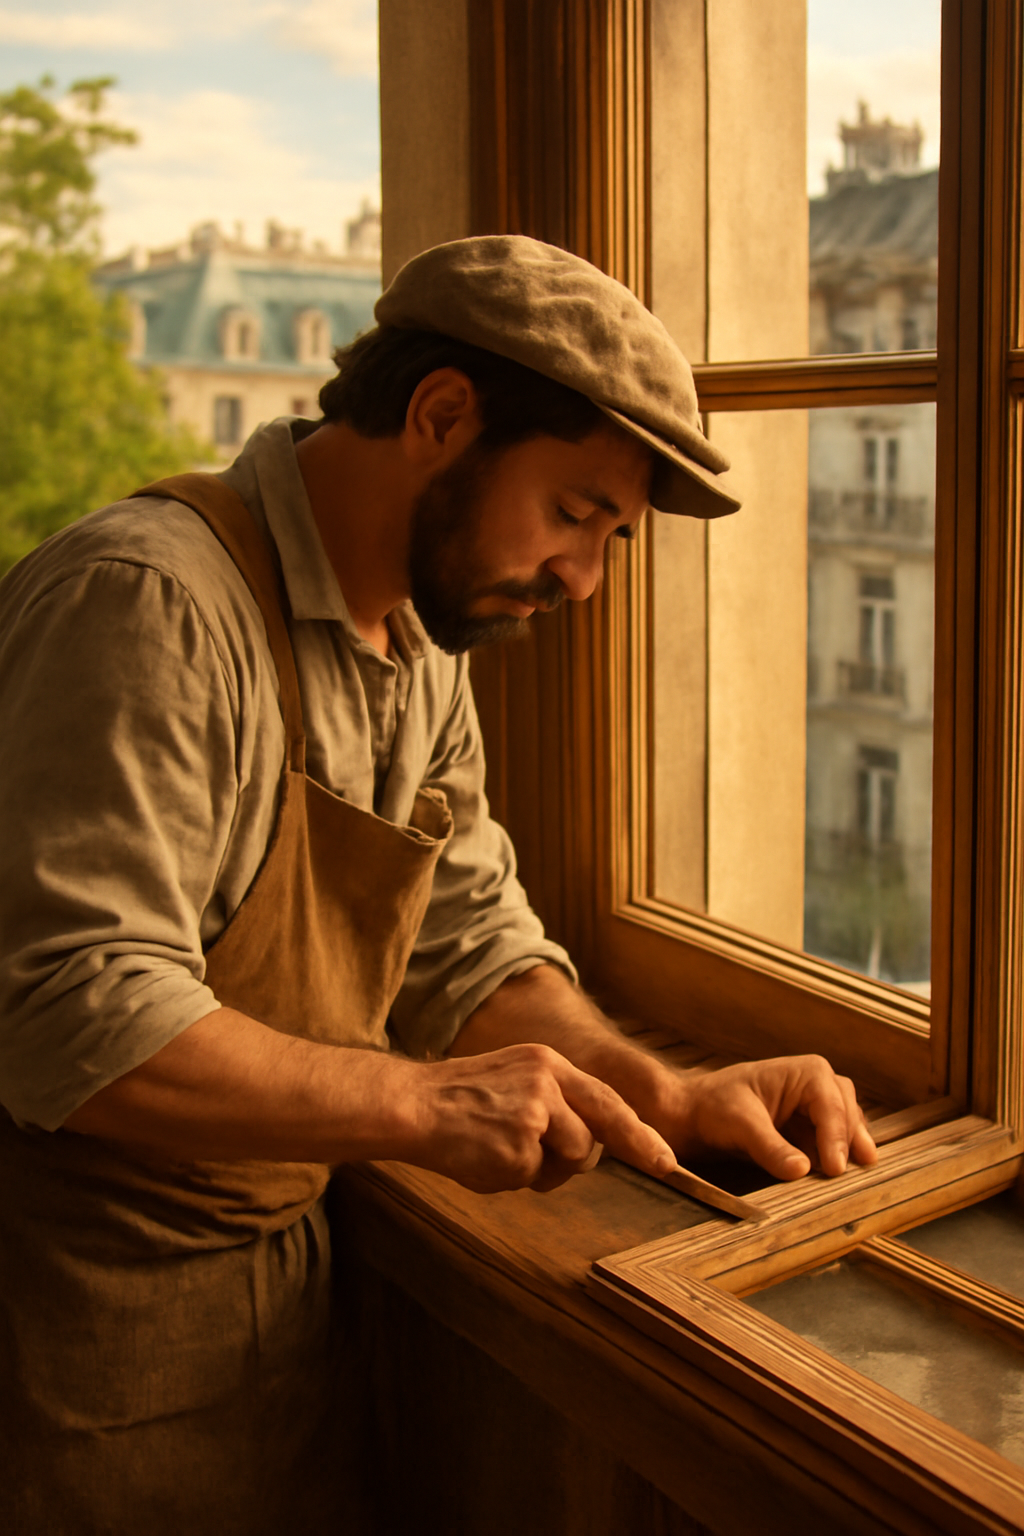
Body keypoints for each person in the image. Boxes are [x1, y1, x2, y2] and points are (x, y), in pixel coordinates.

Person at [0, 235, 875, 1532]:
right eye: (577, 513)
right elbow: (68, 1013)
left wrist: (664, 1094)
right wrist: (418, 1102)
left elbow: (466, 943)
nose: (583, 577)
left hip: (285, 1320)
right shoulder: (147, 606)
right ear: (442, 415)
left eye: (612, 539)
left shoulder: (418, 643)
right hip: (76, 1336)